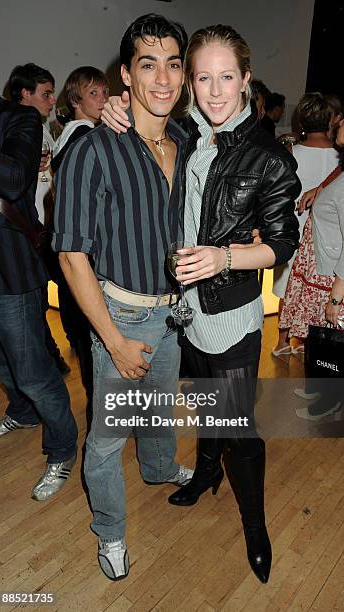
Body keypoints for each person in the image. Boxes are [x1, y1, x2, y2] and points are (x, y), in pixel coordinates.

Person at [103, 23, 300, 584]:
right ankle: (206, 470)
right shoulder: (189, 133)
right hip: (182, 309)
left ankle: (256, 525)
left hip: (230, 310)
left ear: (246, 79)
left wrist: (224, 257)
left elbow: (282, 243)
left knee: (239, 425)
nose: (215, 92)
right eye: (204, 78)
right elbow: (144, 114)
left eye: (227, 78)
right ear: (192, 82)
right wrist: (117, 109)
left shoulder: (267, 155)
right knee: (204, 399)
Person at [52, 14, 194, 582]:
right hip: (121, 315)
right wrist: (112, 341)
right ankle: (110, 531)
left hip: (174, 311)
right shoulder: (92, 150)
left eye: (173, 63)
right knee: (109, 438)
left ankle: (160, 468)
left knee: (160, 404)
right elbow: (70, 256)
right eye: (147, 64)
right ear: (126, 76)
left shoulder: (185, 140)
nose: (162, 78)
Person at [0, 90, 78, 501]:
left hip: (10, 272)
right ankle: (23, 412)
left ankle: (62, 447)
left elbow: (11, 180)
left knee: (33, 372)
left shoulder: (19, 119)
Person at [7, 62, 70, 375]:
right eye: (46, 94)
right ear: (24, 94)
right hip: (26, 234)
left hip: (47, 231)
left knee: (55, 298)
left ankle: (55, 356)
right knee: (35, 304)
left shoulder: (44, 128)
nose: (52, 100)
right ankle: (49, 359)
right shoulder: (12, 129)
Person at [51, 66, 110, 402]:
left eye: (103, 92)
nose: (102, 99)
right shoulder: (83, 135)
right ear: (76, 100)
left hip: (74, 246)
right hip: (83, 249)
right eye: (94, 94)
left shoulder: (72, 133)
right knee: (92, 341)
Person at [279, 118, 344, 419]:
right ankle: (322, 391)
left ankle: (328, 405)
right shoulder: (341, 168)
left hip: (334, 275)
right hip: (323, 266)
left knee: (333, 342)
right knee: (321, 337)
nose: (338, 121)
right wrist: (319, 189)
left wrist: (336, 296)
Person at [272, 93, 339, 357]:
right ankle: (309, 345)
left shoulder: (290, 153)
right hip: (330, 239)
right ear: (330, 121)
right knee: (318, 293)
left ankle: (282, 342)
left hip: (294, 234)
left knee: (287, 290)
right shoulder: (340, 159)